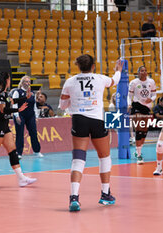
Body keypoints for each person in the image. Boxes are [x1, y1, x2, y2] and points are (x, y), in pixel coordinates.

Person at [59, 54, 123, 211]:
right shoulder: (100, 78)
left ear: (79, 66)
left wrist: (72, 105)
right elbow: (115, 81)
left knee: (78, 159)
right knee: (104, 157)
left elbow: (62, 105)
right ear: (93, 66)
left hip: (79, 119)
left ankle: (74, 197)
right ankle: (105, 194)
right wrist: (118, 70)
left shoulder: (70, 81)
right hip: (97, 119)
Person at [128, 66, 157, 164]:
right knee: (139, 127)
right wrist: (129, 103)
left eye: (145, 70)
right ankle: (139, 155)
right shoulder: (134, 82)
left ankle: (138, 150)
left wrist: (151, 99)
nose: (144, 72)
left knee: (144, 130)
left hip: (147, 107)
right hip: (136, 105)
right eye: (141, 71)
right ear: (138, 72)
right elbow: (129, 96)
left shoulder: (151, 82)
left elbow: (154, 95)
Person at [12, 76, 44, 158]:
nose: (28, 83)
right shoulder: (17, 92)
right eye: (26, 81)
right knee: (19, 133)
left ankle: (36, 151)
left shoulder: (32, 93)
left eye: (29, 81)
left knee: (33, 132)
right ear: (22, 83)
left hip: (30, 116)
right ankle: (19, 153)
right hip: (20, 115)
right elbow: (14, 104)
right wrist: (16, 116)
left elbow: (34, 106)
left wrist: (36, 117)